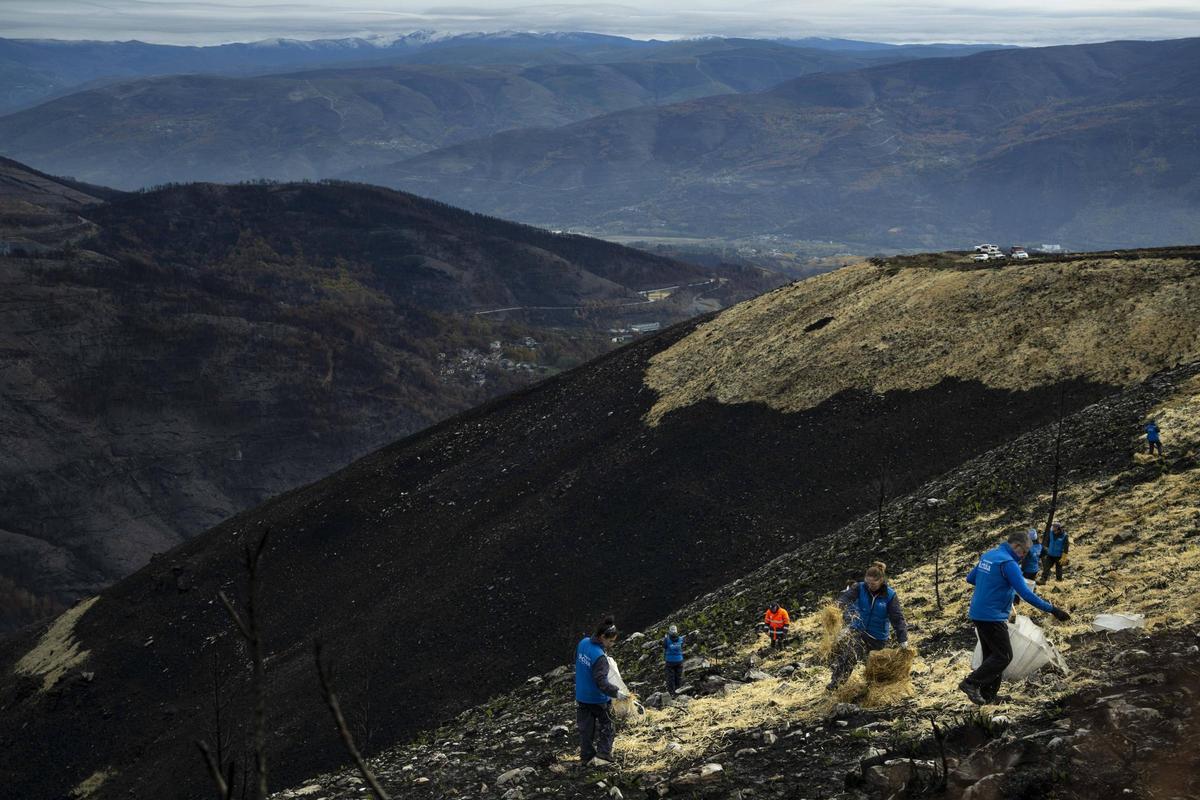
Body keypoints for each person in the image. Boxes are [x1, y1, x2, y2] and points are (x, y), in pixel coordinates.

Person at [960, 530, 1070, 705]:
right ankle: (970, 683)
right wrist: (1053, 610)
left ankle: (988, 696)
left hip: (977, 612)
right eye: (1024, 552)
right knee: (1003, 656)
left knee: (991, 656)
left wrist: (997, 585)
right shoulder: (1009, 564)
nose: (1024, 556)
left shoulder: (989, 555)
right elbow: (1026, 594)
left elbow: (971, 578)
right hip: (992, 616)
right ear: (1017, 546)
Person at [827, 561, 909, 690]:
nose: (870, 586)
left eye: (873, 584)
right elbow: (845, 598)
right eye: (868, 583)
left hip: (878, 637)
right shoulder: (860, 588)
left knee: (876, 667)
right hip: (859, 631)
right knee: (849, 655)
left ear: (881, 580)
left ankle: (872, 690)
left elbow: (897, 618)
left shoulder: (890, 595)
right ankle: (835, 685)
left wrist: (903, 639)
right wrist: (836, 608)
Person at [575, 616, 628, 766]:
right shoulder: (600, 657)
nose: (612, 644)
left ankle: (586, 756)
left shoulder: (583, 643)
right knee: (608, 725)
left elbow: (578, 662)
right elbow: (602, 683)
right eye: (610, 641)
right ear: (602, 637)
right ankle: (603, 756)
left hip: (581, 695)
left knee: (586, 728)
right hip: (597, 699)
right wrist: (617, 693)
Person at [663, 624, 685, 695]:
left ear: (669, 631)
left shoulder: (667, 639)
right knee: (678, 677)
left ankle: (671, 693)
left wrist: (665, 638)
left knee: (670, 678)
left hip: (670, 661)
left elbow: (664, 646)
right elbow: (682, 646)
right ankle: (678, 692)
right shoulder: (681, 639)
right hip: (679, 660)